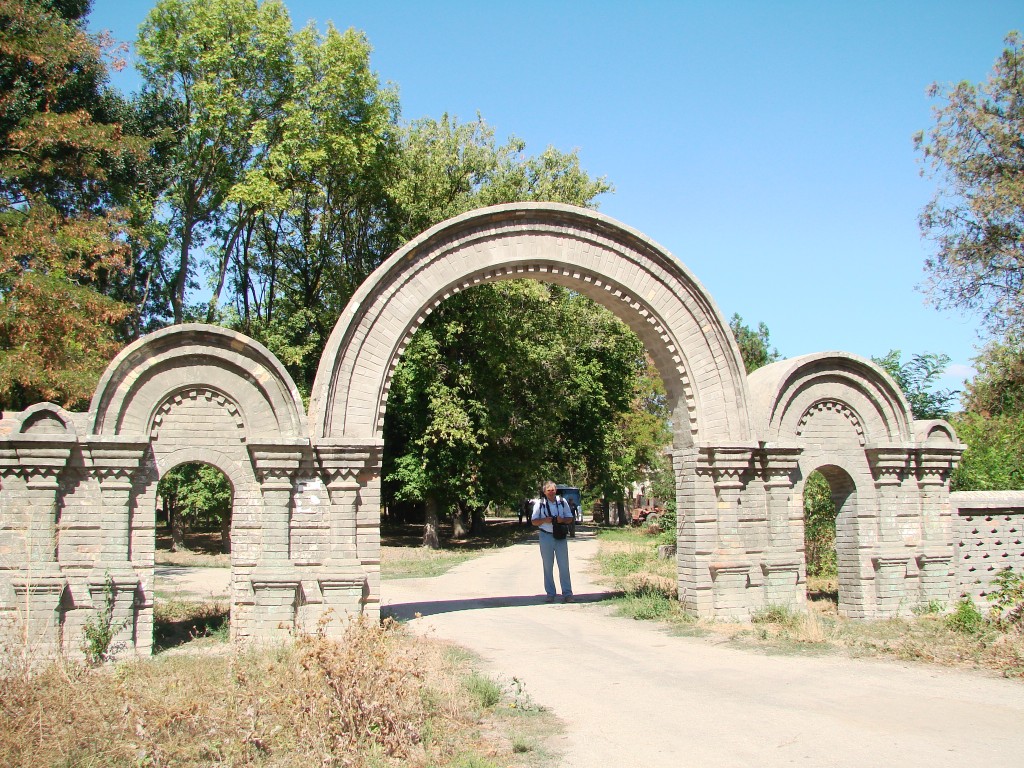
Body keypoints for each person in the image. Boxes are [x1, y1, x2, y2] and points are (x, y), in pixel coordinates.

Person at [531, 480, 574, 602]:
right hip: (546, 536)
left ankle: (567, 593)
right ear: (544, 492)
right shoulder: (540, 504)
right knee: (547, 566)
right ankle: (550, 593)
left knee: (564, 565)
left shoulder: (562, 502)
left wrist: (562, 520)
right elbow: (534, 521)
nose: (551, 492)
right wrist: (545, 520)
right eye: (548, 490)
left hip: (560, 536)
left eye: (553, 490)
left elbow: (570, 518)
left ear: (556, 491)